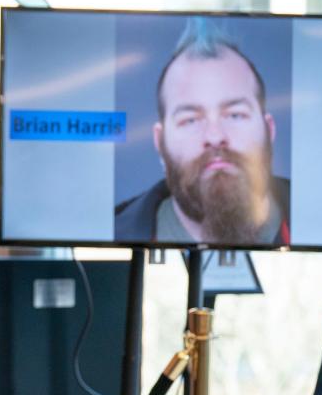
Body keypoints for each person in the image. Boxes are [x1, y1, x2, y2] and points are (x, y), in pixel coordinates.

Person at [115, 18, 289, 245]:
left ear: (269, 130)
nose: (215, 136)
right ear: (160, 142)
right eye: (191, 120)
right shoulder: (115, 231)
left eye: (235, 115)